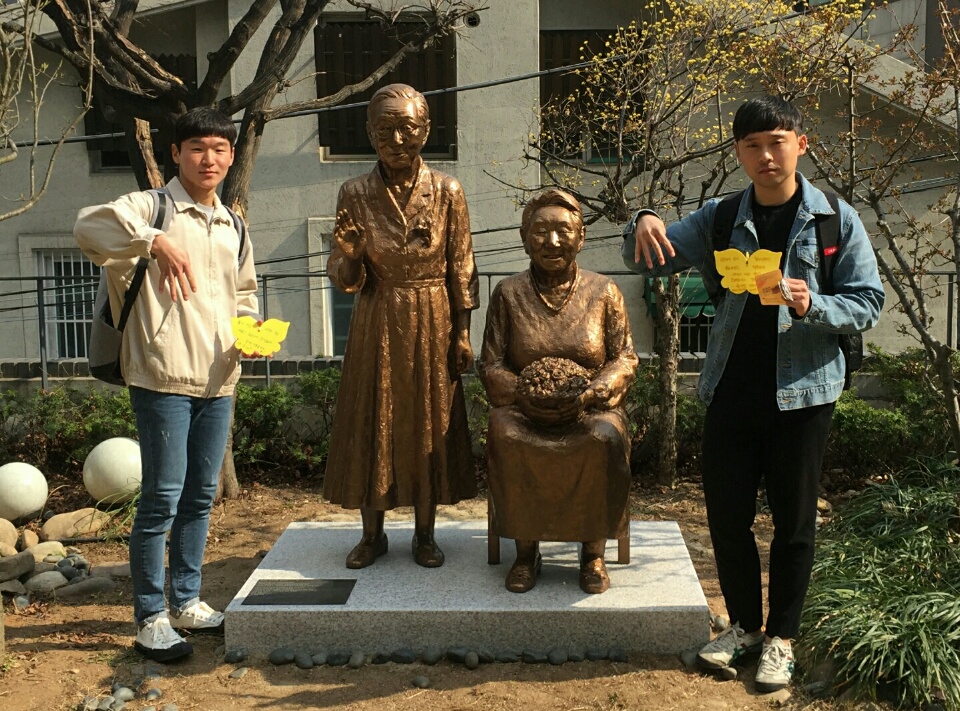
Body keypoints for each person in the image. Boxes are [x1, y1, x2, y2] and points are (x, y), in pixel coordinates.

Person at [621, 95, 884, 692]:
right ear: (738, 153)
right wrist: (643, 218)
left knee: (793, 524)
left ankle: (782, 639)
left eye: (777, 143)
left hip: (804, 396)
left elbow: (869, 302)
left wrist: (810, 302)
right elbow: (642, 261)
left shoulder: (834, 220)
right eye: (752, 146)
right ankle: (741, 626)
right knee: (728, 517)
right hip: (730, 394)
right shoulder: (719, 217)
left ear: (800, 144)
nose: (766, 156)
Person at [75, 107, 260, 663]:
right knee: (161, 497)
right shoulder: (149, 206)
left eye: (221, 150)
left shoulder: (233, 223)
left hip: (219, 377)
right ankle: (150, 617)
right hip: (161, 374)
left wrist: (252, 330)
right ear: (176, 152)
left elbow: (245, 292)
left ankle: (186, 601)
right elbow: (86, 226)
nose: (211, 159)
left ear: (231, 157)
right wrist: (153, 240)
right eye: (198, 148)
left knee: (201, 496)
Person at [323, 84, 479, 569]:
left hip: (433, 313)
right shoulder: (355, 192)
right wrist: (348, 257)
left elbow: (462, 266)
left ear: (425, 131)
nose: (396, 138)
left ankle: (425, 534)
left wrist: (462, 331)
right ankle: (372, 534)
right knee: (374, 418)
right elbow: (347, 279)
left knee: (429, 421)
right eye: (384, 129)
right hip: (378, 316)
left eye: (407, 128)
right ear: (370, 134)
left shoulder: (448, 190)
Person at [479, 188, 638, 594]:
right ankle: (526, 551)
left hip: (590, 408)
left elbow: (624, 359)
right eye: (540, 231)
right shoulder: (508, 294)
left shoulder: (604, 292)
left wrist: (592, 392)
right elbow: (491, 364)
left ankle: (592, 552)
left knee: (603, 437)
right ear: (524, 237)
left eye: (562, 231)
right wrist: (524, 394)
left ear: (580, 237)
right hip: (522, 407)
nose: (552, 241)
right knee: (506, 434)